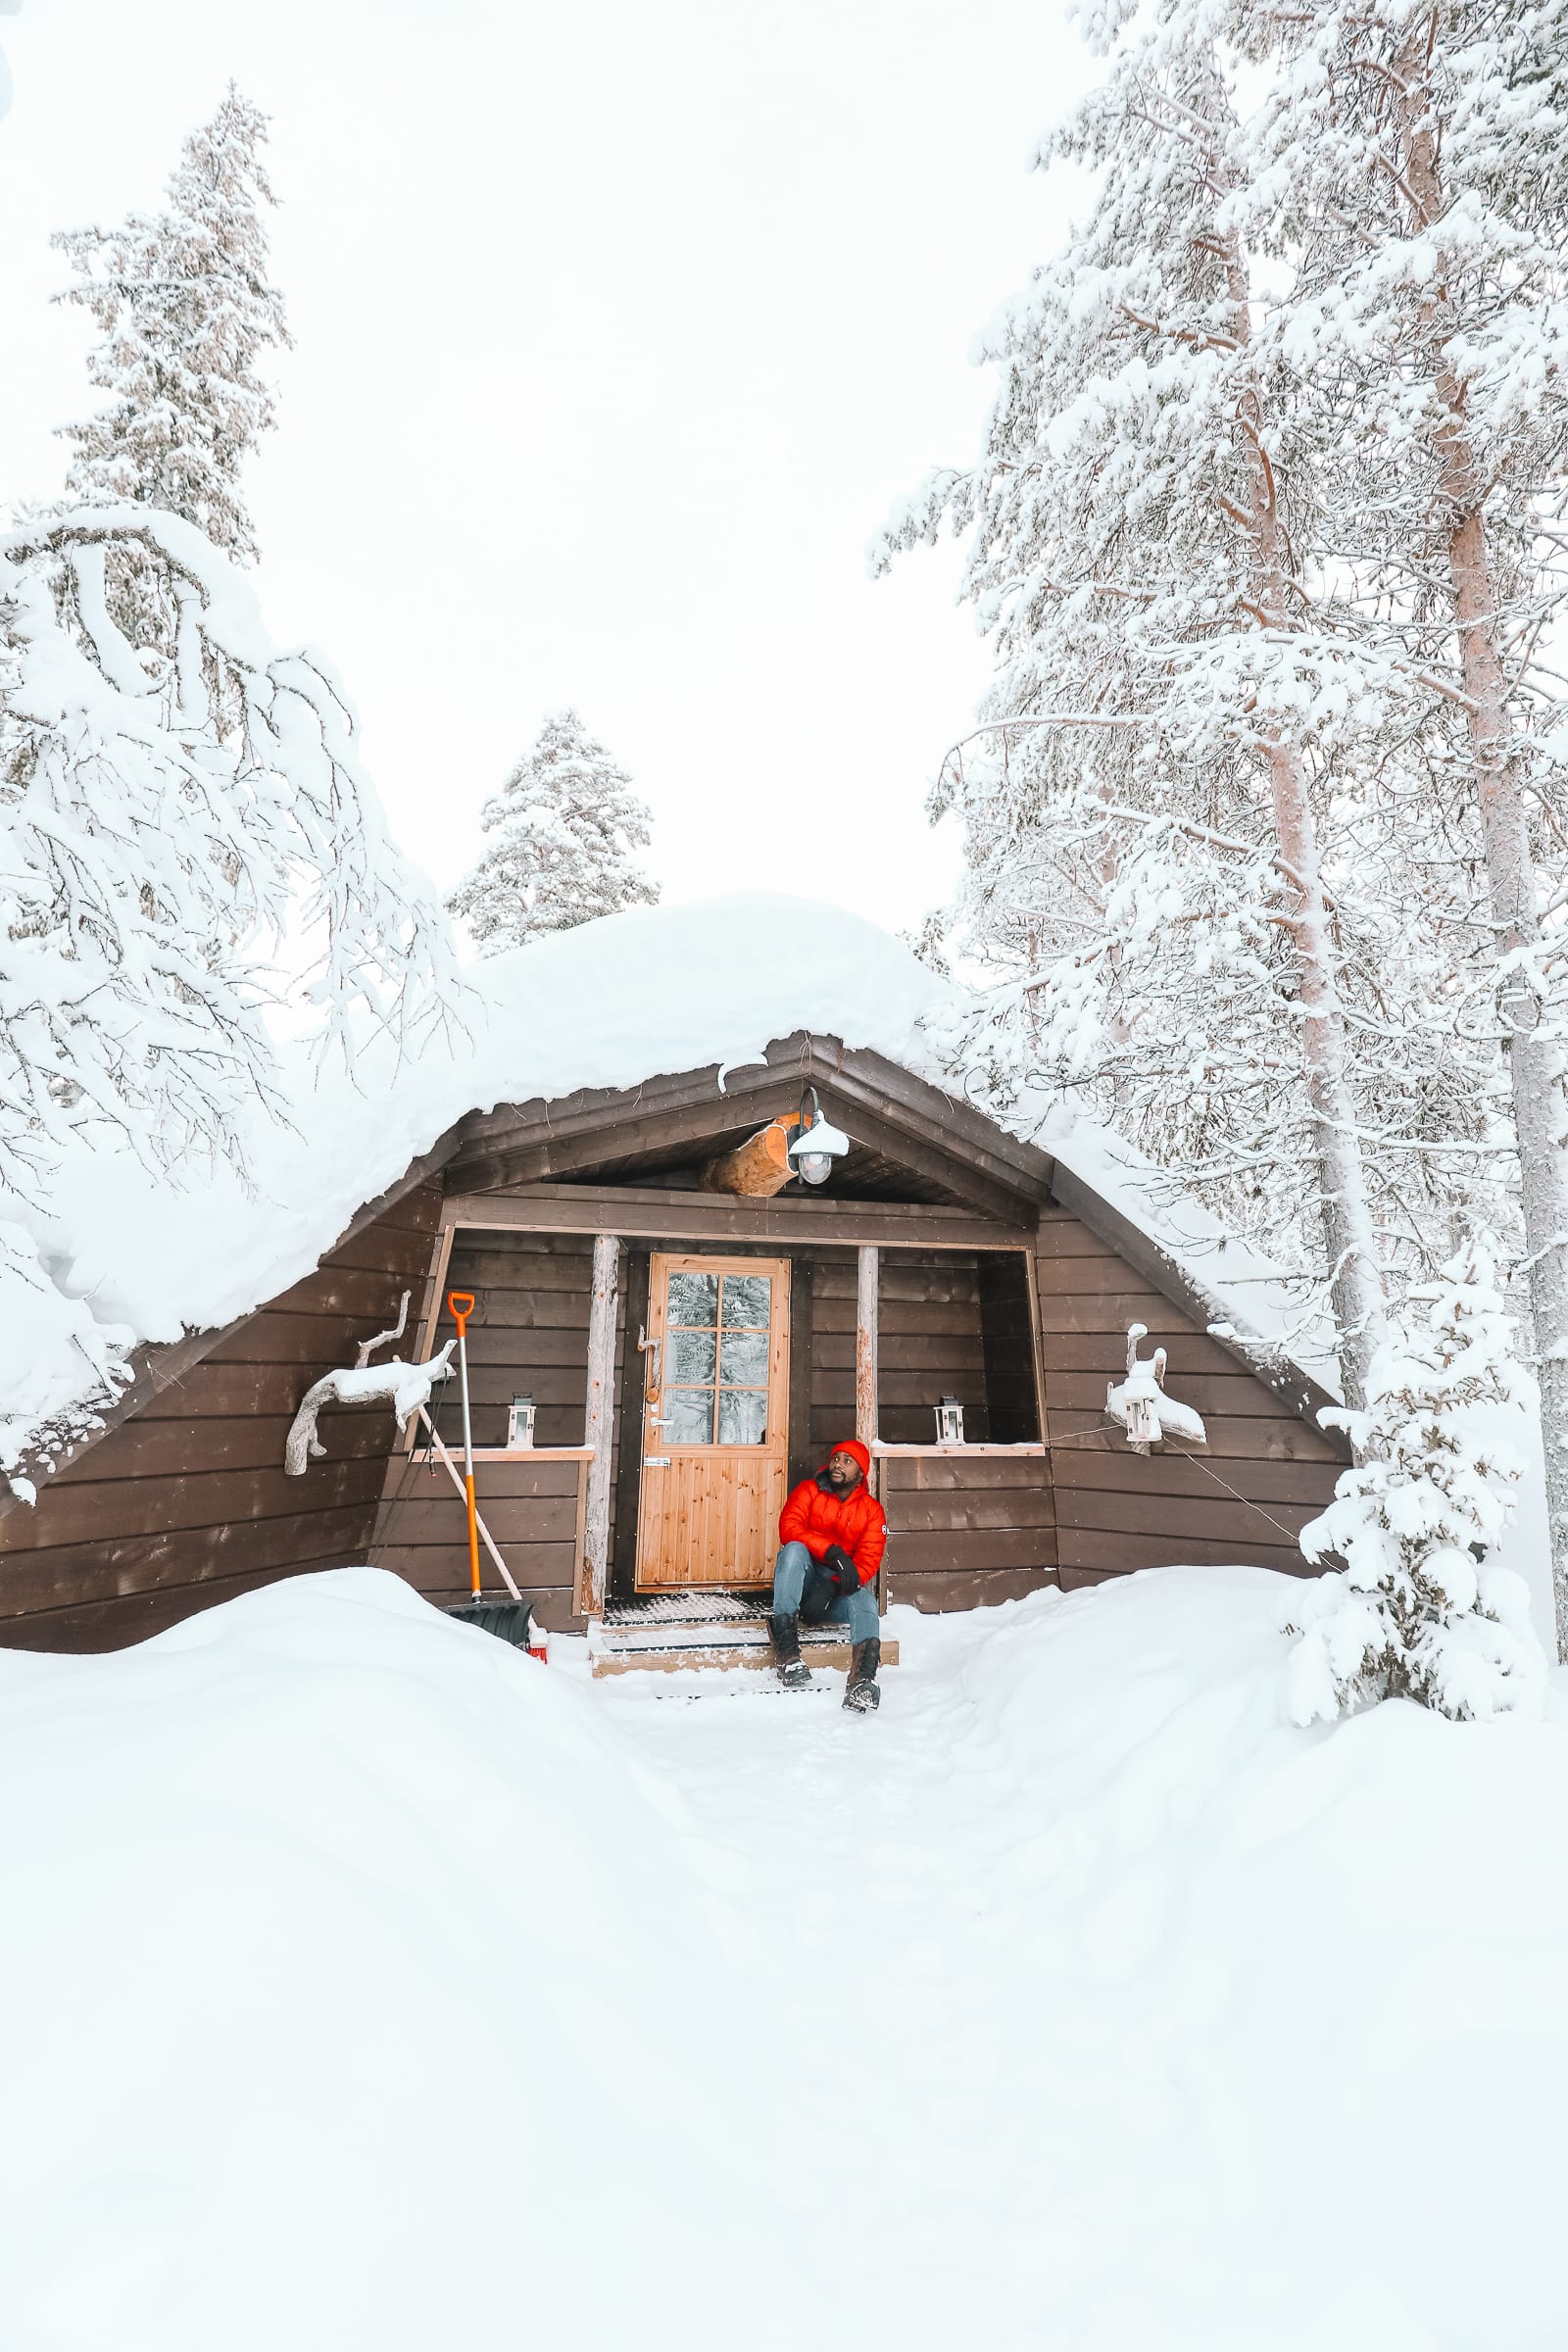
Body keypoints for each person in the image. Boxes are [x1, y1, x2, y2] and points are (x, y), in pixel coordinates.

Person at [769, 1438, 887, 1711]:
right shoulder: (809, 1490)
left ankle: (862, 1681)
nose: (838, 1464)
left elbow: (868, 1561)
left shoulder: (871, 1512)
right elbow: (789, 1527)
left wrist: (832, 1588)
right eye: (836, 1458)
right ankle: (788, 1656)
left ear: (860, 1472)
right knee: (794, 1550)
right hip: (801, 1583)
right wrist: (832, 1552)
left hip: (834, 1595)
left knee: (866, 1600)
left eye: (848, 1461)